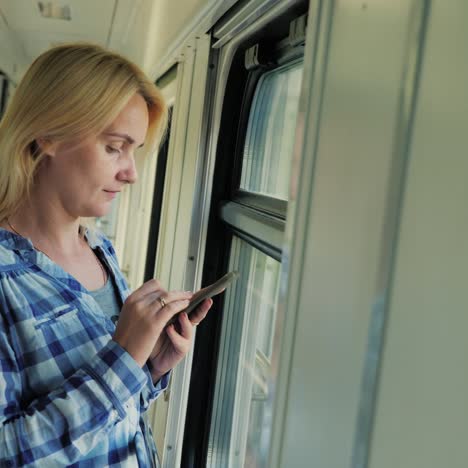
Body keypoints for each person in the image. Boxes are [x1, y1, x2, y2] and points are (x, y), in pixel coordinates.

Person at [0, 43, 212, 466]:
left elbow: (110, 413)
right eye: (115, 147)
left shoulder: (101, 250)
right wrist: (125, 358)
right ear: (50, 134)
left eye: (134, 151)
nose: (131, 173)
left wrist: (148, 366)